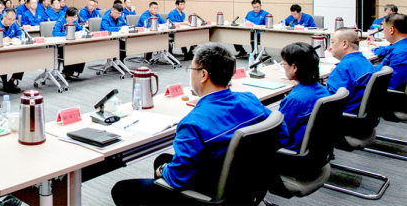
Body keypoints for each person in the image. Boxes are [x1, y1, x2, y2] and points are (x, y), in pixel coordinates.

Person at [110, 43, 287, 205]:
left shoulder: (193, 124)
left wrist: (163, 170)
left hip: (212, 193)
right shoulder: (250, 99)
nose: (190, 73)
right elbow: (282, 134)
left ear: (203, 75)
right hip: (246, 186)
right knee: (162, 159)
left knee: (123, 189)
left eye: (192, 69)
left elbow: (177, 179)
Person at [278, 42, 330, 151]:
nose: (283, 66)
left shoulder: (295, 100)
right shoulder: (324, 91)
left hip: (293, 152)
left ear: (294, 67)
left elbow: (279, 133)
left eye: (283, 63)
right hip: (317, 150)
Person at [327, 28, 374, 114]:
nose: (330, 48)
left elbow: (330, 101)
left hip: (344, 115)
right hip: (360, 112)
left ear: (345, 44)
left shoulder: (344, 67)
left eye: (332, 42)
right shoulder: (366, 62)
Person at [0, 8, 23, 93]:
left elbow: (21, 34)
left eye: (13, 19)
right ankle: (5, 83)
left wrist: (16, 38)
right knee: (2, 60)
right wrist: (1, 40)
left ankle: (11, 81)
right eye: (9, 19)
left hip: (12, 51)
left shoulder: (14, 25)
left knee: (23, 58)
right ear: (4, 17)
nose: (11, 21)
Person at [368, 13, 407, 90]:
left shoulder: (401, 54)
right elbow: (387, 48)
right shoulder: (400, 45)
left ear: (391, 30)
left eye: (383, 29)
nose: (383, 32)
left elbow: (392, 85)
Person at [53, 7, 85, 79]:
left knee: (82, 50)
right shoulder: (60, 22)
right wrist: (68, 34)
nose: (74, 19)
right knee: (70, 51)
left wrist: (79, 32)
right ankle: (68, 71)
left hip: (72, 44)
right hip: (61, 46)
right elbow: (55, 33)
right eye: (72, 17)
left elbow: (80, 29)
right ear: (67, 15)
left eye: (75, 17)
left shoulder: (74, 22)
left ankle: (73, 70)